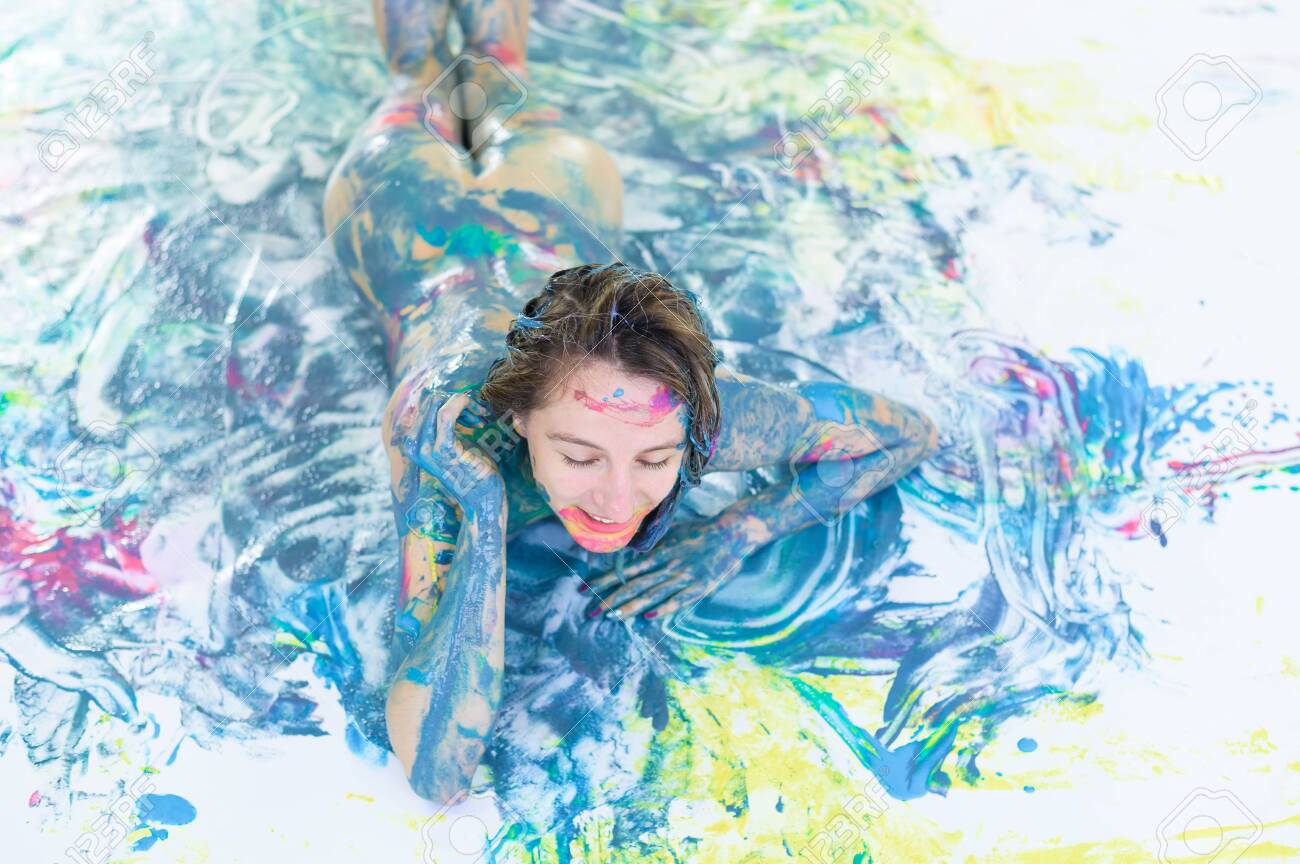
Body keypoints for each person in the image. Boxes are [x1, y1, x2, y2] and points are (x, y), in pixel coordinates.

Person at [323, 0, 938, 805]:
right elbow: (437, 773)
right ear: (519, 418)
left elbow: (907, 434)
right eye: (580, 455)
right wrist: (483, 517)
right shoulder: (447, 436)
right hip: (401, 205)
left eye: (655, 459)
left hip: (557, 184)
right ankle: (421, 75)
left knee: (498, 59)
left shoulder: (697, 409)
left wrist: (736, 532)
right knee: (419, 72)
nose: (618, 504)